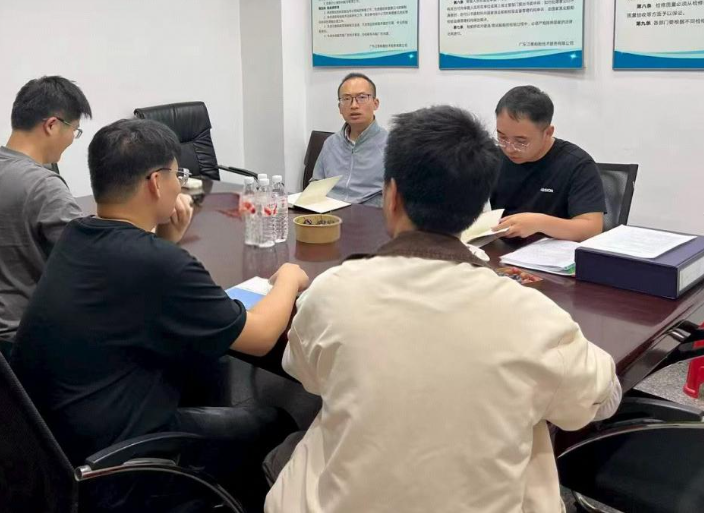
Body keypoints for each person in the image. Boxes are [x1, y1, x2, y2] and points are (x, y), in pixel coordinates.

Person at [264, 105, 621, 513]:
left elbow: (305, 374)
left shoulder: (331, 293)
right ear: (477, 206)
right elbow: (601, 399)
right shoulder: (533, 317)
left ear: (391, 195)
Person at [11, 118, 306, 503]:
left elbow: (137, 290)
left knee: (207, 363)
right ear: (155, 182)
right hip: (120, 461)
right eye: (177, 175)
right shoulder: (157, 264)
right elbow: (262, 335)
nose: (180, 185)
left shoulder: (77, 235)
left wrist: (166, 241)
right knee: (276, 422)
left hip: (57, 442)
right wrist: (288, 277)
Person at [0, 76, 93, 335]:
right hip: (19, 338)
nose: (72, 139)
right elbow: (90, 267)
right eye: (74, 130)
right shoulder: (44, 185)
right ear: (52, 125)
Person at [491, 85, 606, 241]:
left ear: (548, 132)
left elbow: (592, 229)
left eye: (521, 141)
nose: (509, 149)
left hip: (554, 252)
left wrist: (539, 223)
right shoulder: (492, 157)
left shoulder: (577, 164)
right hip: (501, 249)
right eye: (502, 137)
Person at [311, 72, 387, 206]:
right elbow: (316, 184)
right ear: (340, 108)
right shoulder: (330, 143)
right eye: (346, 99)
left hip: (370, 214)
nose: (354, 105)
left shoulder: (391, 145)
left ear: (375, 104)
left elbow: (399, 195)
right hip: (330, 213)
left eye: (362, 97)